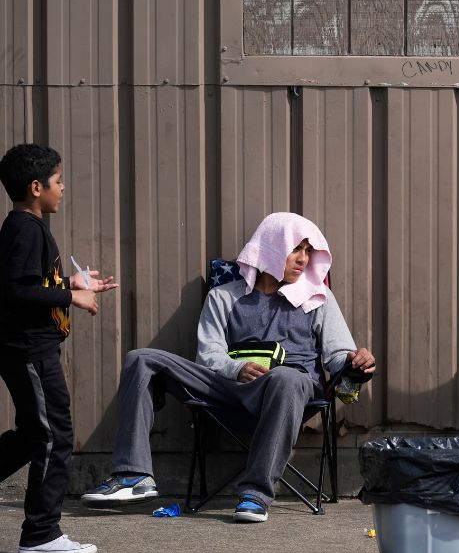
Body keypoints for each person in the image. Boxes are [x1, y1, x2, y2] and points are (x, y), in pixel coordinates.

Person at [81, 212, 375, 523]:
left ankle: (256, 493)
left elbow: (337, 355)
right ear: (272, 248)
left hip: (290, 392)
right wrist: (236, 368)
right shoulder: (224, 295)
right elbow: (208, 355)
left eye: (308, 252)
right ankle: (133, 475)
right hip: (227, 389)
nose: (303, 259)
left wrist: (355, 363)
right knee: (141, 359)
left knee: (287, 378)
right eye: (295, 249)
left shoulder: (317, 297)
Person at [0, 143, 119, 553]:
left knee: (35, 434)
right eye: (58, 180)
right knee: (55, 435)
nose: (63, 187)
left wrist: (71, 283)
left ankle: (41, 532)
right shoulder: (24, 229)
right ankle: (40, 534)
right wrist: (72, 299)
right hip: (30, 350)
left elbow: (31, 283)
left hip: (31, 349)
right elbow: (15, 291)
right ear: (37, 187)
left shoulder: (26, 227)